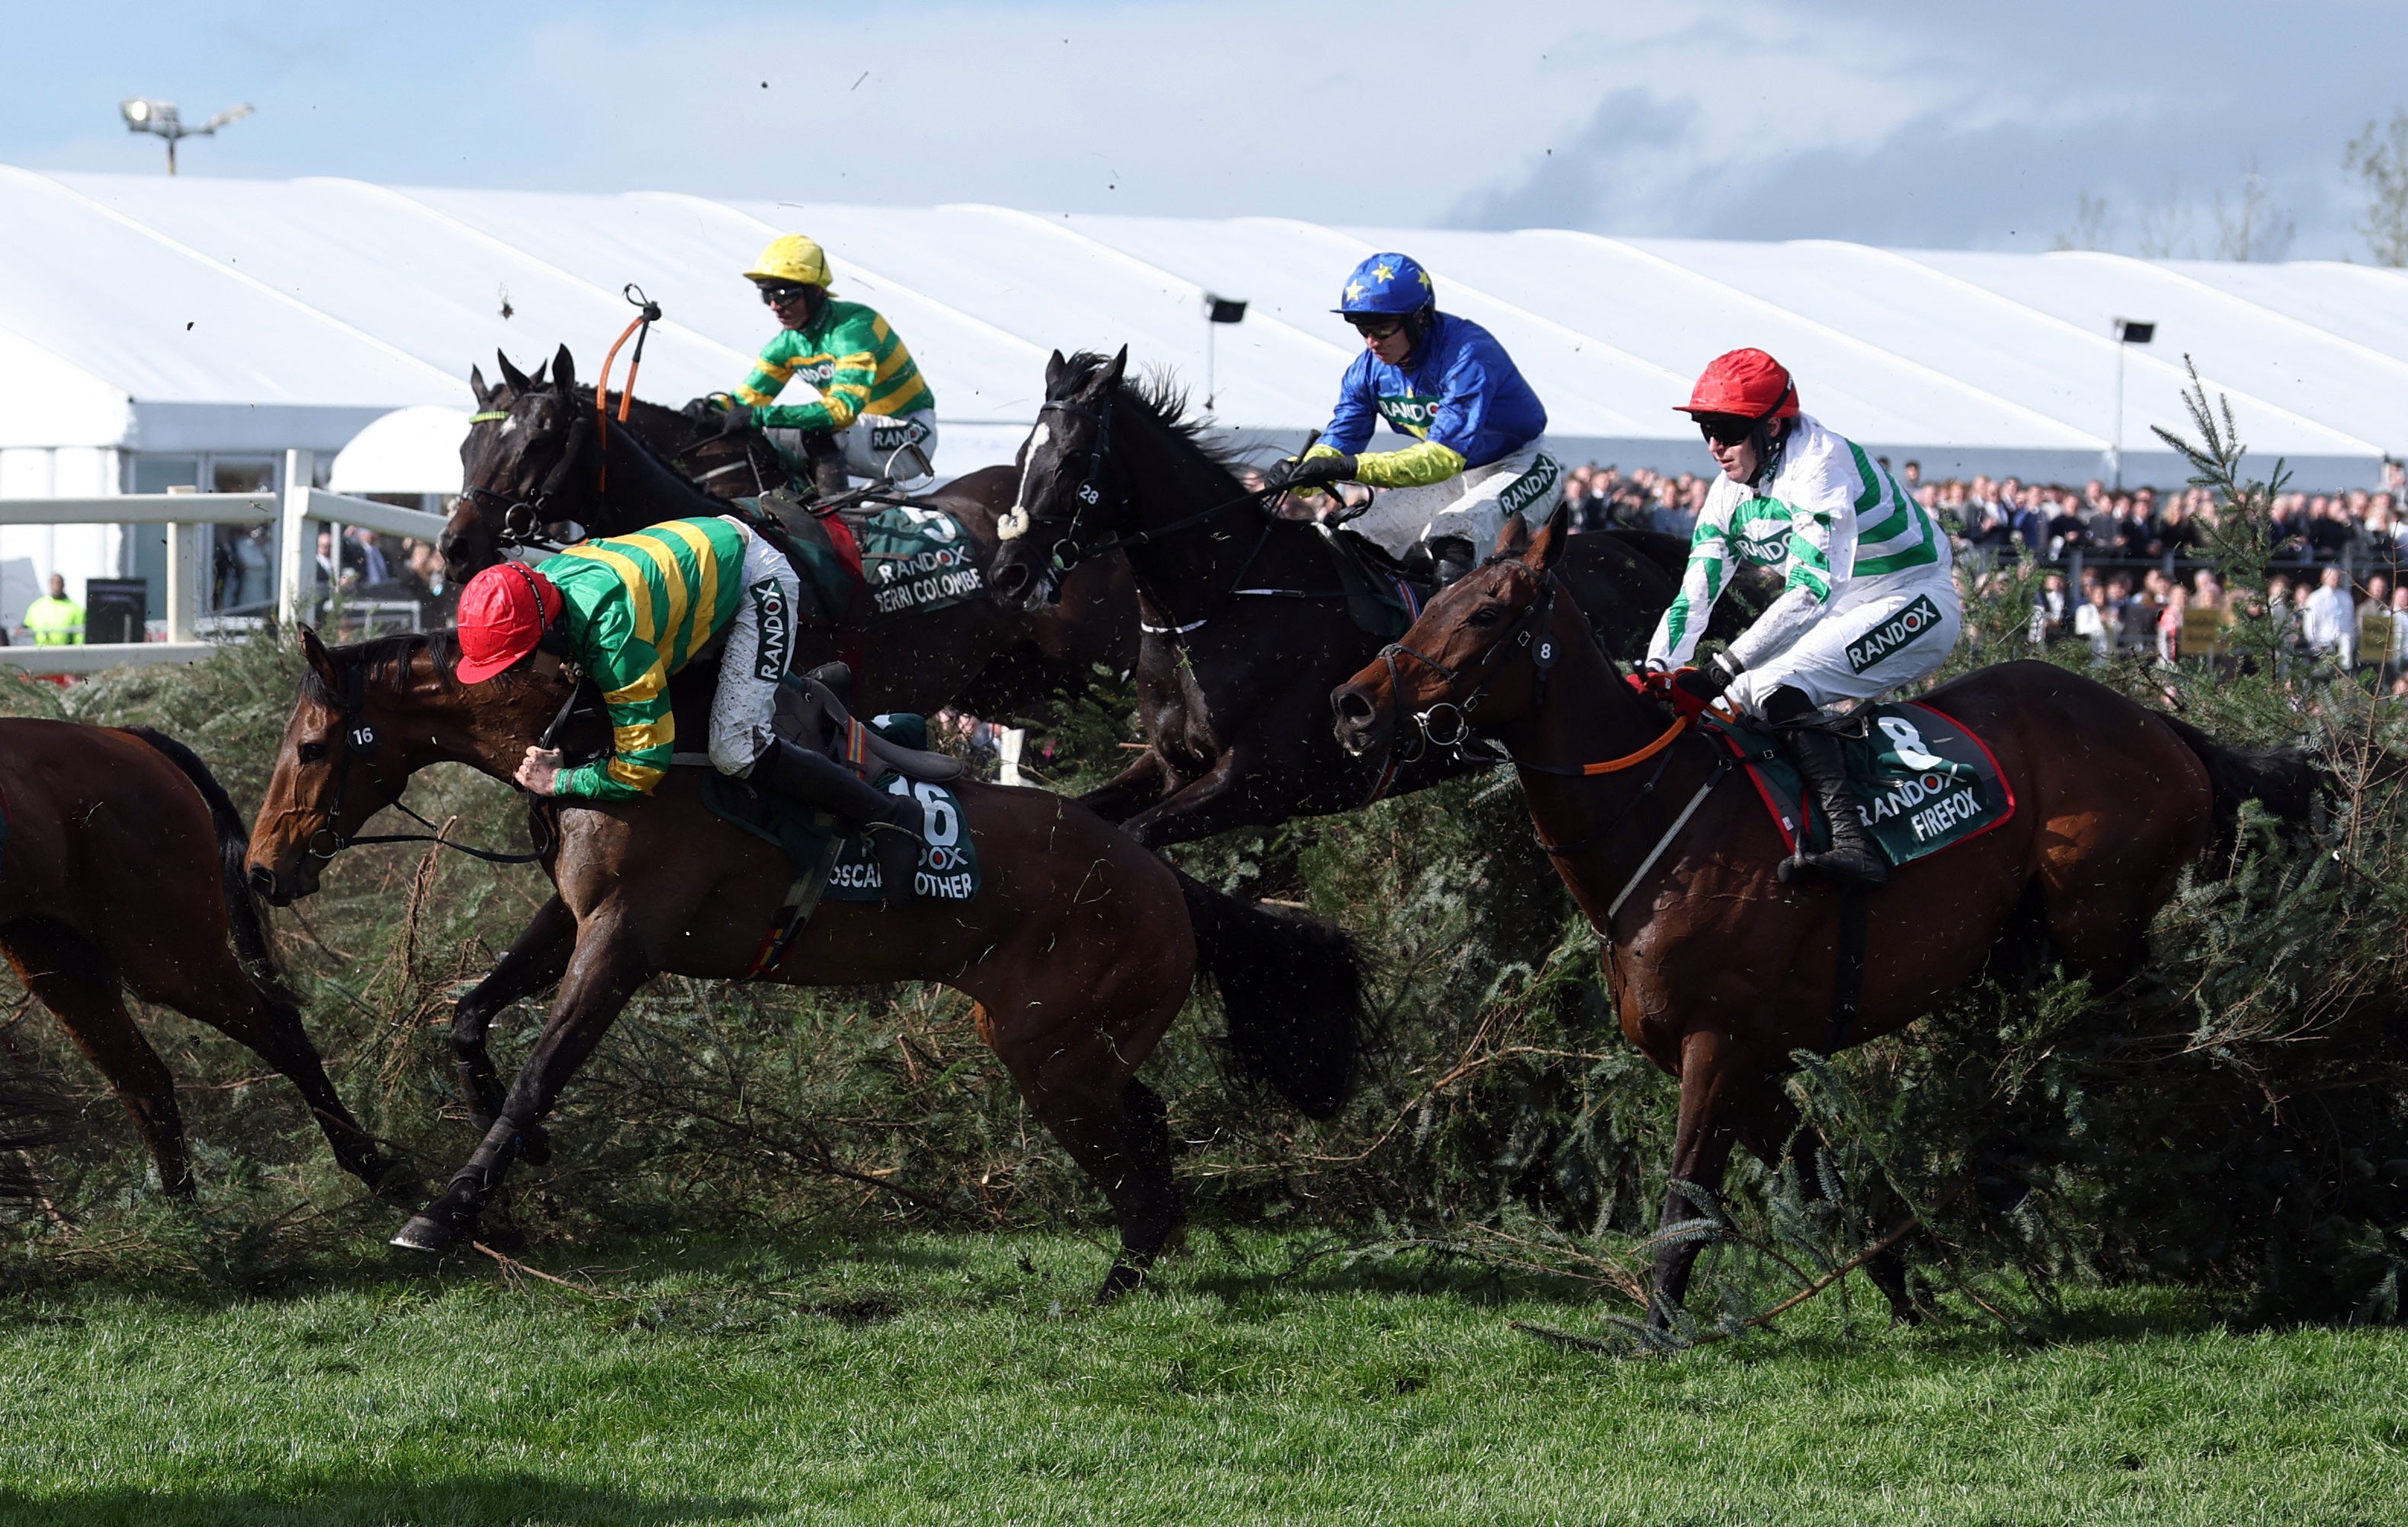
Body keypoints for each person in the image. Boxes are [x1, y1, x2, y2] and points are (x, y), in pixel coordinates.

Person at [452, 514, 926, 906]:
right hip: (700, 557)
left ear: (549, 631)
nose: (522, 673)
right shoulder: (544, 580)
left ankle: (889, 816)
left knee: (735, 751)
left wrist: (559, 781)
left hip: (757, 580)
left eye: (521, 660)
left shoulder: (619, 641)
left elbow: (642, 768)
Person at [1641, 348, 1959, 890]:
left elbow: (1810, 591)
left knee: (1767, 687)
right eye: (1704, 428)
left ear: (1771, 425)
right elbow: (1693, 597)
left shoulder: (1820, 463)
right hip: (1846, 606)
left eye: (1725, 428)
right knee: (1724, 704)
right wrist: (1653, 671)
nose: (1714, 445)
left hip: (1915, 598)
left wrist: (1718, 667)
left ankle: (1853, 843)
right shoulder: (1727, 494)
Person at [1258, 252, 1561, 586]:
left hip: (1520, 465)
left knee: (1453, 537)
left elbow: (1442, 458)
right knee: (1353, 535)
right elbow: (1338, 443)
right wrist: (1298, 472)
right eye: (1363, 329)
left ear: (1420, 318)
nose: (1373, 342)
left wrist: (1350, 468)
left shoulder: (1468, 353)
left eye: (1384, 328)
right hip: (1456, 476)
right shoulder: (1365, 373)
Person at [689, 235, 938, 503]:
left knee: (803, 428)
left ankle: (841, 518)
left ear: (816, 291)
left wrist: (759, 416)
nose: (775, 305)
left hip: (909, 436)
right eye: (767, 294)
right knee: (757, 433)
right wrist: (708, 409)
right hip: (866, 433)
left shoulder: (854, 328)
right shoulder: (787, 344)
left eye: (784, 294)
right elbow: (744, 402)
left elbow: (843, 411)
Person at [24, 573, 83, 646]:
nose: (56, 586)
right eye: (53, 583)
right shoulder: (37, 606)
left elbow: (80, 635)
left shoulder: (75, 608)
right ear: (50, 585)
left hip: (63, 653)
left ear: (63, 585)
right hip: (41, 652)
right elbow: (27, 625)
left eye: (58, 583)